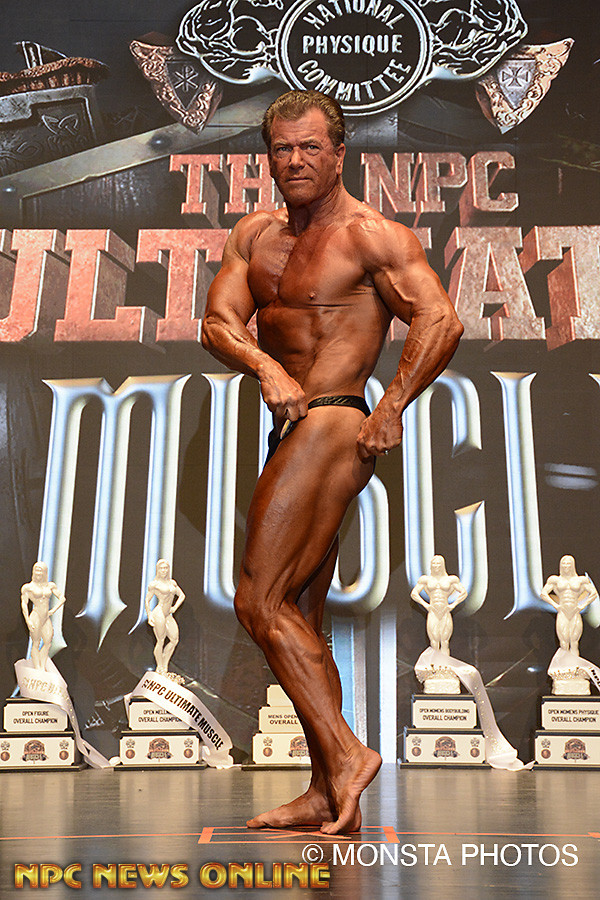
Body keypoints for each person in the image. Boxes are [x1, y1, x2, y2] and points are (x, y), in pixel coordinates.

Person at [201, 89, 463, 834]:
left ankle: (347, 754)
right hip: (293, 427)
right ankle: (325, 789)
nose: (295, 160)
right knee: (300, 619)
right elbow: (217, 322)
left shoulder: (370, 235)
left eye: (310, 147)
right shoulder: (255, 236)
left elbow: (440, 318)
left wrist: (392, 406)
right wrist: (264, 366)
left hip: (335, 420)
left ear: (340, 153)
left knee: (258, 601)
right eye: (282, 149)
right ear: (268, 158)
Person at [541, 555, 597, 656]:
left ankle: (574, 665)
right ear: (560, 565)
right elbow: (543, 594)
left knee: (574, 643)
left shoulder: (581, 580)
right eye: (564, 563)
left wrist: (582, 606)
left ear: (573, 565)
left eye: (568, 563)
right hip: (562, 612)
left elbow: (594, 593)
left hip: (575, 612)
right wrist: (555, 605)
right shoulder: (554, 580)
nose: (566, 566)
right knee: (564, 643)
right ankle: (564, 665)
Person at [411, 555, 468, 655]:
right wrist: (426, 605)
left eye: (438, 563)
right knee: (434, 642)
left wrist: (453, 605)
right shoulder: (425, 580)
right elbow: (414, 593)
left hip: (445, 611)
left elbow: (464, 592)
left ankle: (445, 663)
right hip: (433, 611)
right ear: (431, 565)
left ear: (442, 565)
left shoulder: (451, 580)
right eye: (434, 563)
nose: (436, 565)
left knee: (445, 642)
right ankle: (434, 663)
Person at [21, 561, 67, 671]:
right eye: (36, 570)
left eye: (40, 570)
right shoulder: (28, 587)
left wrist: (53, 610)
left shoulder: (50, 585)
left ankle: (41, 666)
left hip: (46, 617)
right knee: (36, 643)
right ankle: (38, 667)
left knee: (48, 642)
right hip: (35, 616)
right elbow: (24, 604)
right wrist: (27, 620)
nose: (38, 573)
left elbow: (62, 598)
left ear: (45, 572)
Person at [145, 559, 186, 675]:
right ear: (158, 570)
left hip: (168, 614)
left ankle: (164, 663)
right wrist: (149, 615)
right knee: (161, 640)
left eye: (165, 568)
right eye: (161, 568)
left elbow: (182, 595)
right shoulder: (154, 584)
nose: (164, 570)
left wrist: (175, 607)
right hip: (159, 613)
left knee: (174, 640)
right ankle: (159, 666)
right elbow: (147, 600)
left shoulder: (172, 583)